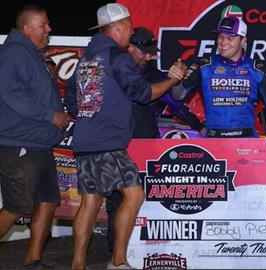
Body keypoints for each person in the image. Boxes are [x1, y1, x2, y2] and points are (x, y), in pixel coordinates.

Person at [65, 3, 186, 270]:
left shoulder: (85, 59)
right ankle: (118, 261)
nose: (131, 32)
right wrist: (172, 80)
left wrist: (95, 111)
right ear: (117, 27)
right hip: (107, 140)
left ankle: (77, 264)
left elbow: (72, 102)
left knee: (91, 201)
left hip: (85, 138)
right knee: (133, 195)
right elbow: (143, 94)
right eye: (129, 26)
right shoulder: (117, 58)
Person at [105, 26, 204, 251]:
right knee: (116, 200)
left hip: (146, 147)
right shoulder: (113, 70)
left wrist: (199, 125)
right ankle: (115, 252)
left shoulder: (154, 75)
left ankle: (139, 250)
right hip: (116, 145)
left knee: (144, 200)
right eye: (144, 51)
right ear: (129, 47)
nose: (149, 56)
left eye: (151, 52)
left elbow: (177, 103)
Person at [0, 4, 71, 269]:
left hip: (38, 144)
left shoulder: (32, 54)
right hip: (19, 144)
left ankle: (33, 261)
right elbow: (10, 94)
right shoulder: (15, 53)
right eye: (44, 25)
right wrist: (51, 116)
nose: (49, 30)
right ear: (27, 28)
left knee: (48, 201)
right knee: (16, 207)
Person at [172, 16, 266, 147]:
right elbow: (178, 95)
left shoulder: (257, 70)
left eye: (230, 38)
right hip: (214, 142)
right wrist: (175, 80)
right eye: (221, 37)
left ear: (243, 40)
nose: (223, 43)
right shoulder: (204, 67)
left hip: (246, 143)